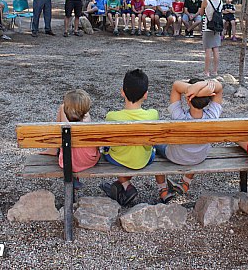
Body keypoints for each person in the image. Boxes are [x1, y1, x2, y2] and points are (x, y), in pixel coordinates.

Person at [154, 78, 223, 203]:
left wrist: (193, 89)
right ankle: (185, 183)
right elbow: (219, 88)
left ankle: (163, 190)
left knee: (153, 145)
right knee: (195, 148)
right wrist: (202, 86)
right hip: (199, 157)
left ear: (188, 99)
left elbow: (175, 86)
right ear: (209, 100)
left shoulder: (179, 116)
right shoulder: (213, 115)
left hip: (175, 156)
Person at [100, 69, 157, 206]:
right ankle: (123, 184)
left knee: (108, 150)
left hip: (118, 159)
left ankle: (126, 184)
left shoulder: (112, 117)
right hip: (144, 160)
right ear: (146, 95)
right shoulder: (153, 115)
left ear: (122, 92)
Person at [56, 89, 100, 189]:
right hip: (89, 161)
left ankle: (72, 177)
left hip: (67, 163)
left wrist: (63, 108)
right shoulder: (91, 125)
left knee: (64, 145)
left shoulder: (64, 126)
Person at [200, 0, 223, 77]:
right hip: (217, 27)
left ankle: (206, 71)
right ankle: (215, 71)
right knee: (216, 49)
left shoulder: (206, 1)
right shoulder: (221, 2)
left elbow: (201, 13)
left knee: (208, 50)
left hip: (207, 27)